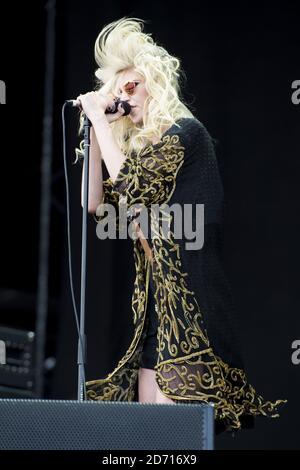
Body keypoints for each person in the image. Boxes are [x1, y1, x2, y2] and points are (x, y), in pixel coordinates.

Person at [75, 17, 286, 433]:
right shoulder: (139, 157)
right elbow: (94, 203)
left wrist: (101, 119)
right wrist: (97, 135)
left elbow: (132, 188)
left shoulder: (187, 134)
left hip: (193, 312)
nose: (124, 97)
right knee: (148, 438)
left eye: (131, 86)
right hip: (157, 313)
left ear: (154, 82)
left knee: (175, 439)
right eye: (117, 92)